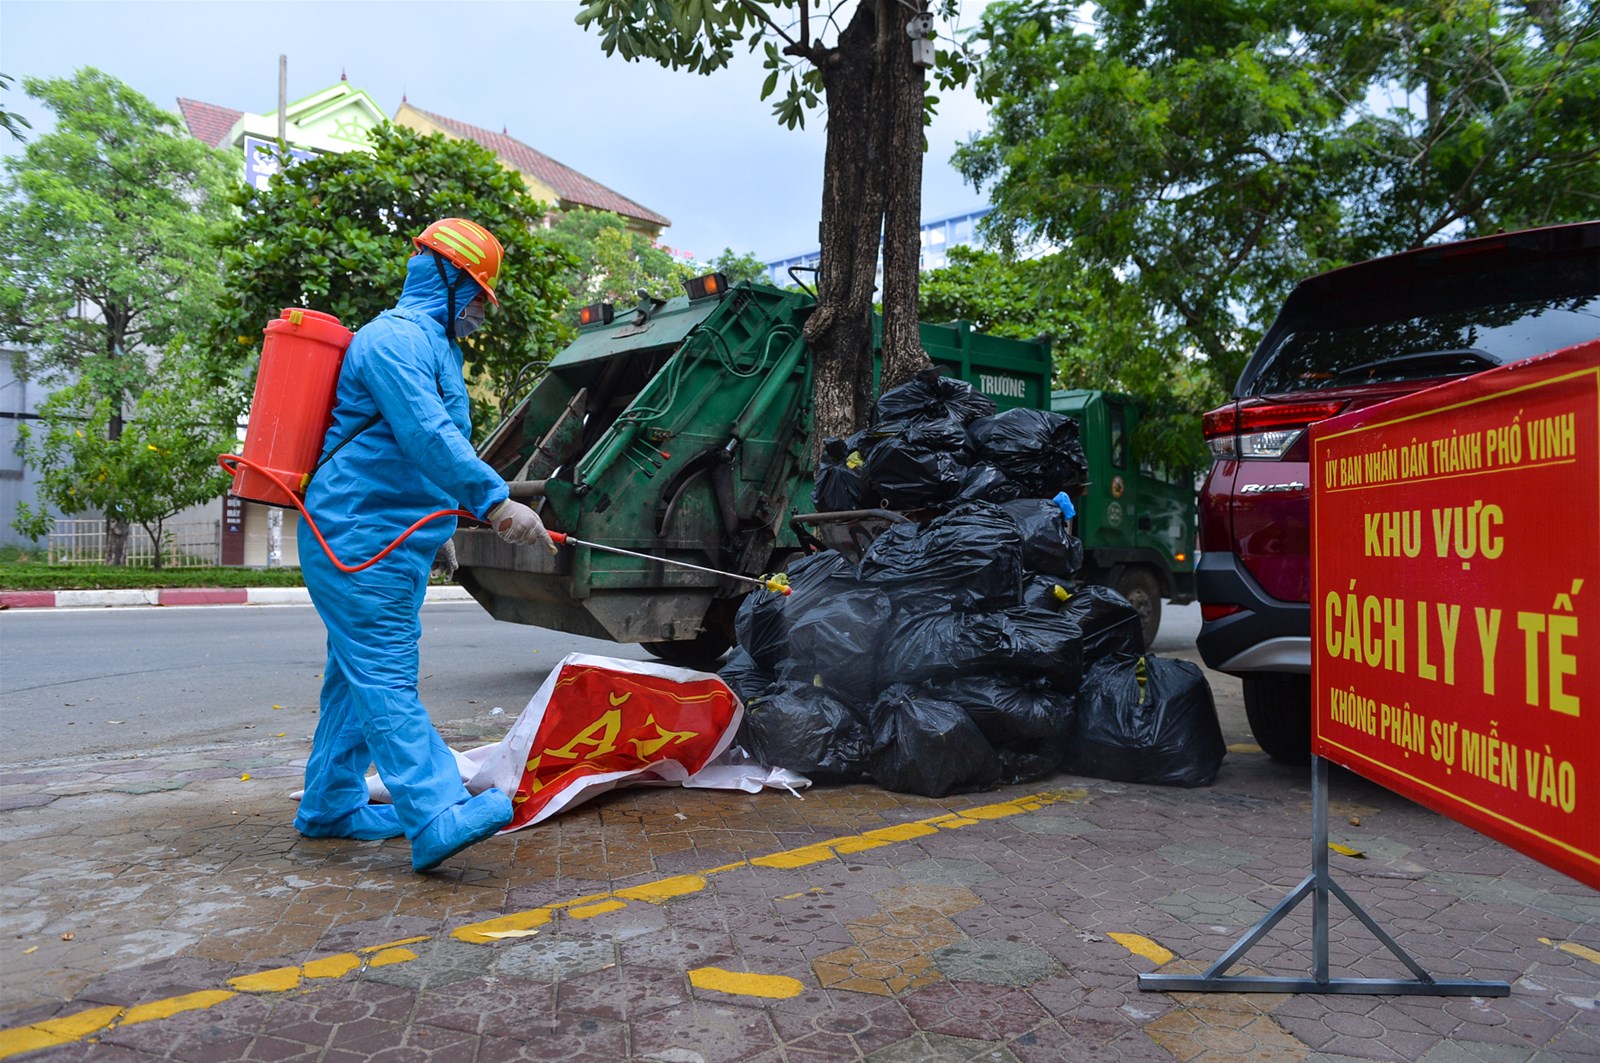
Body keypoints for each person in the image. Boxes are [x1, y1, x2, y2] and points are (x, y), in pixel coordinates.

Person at [294, 218, 555, 872]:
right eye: (473, 293)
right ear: (443, 277)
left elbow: (417, 458)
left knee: (354, 678)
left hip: (386, 537)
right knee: (384, 674)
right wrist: (493, 503)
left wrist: (443, 526)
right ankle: (437, 811)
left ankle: (330, 802)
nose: (477, 311)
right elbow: (428, 436)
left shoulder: (431, 345)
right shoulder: (393, 340)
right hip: (358, 536)